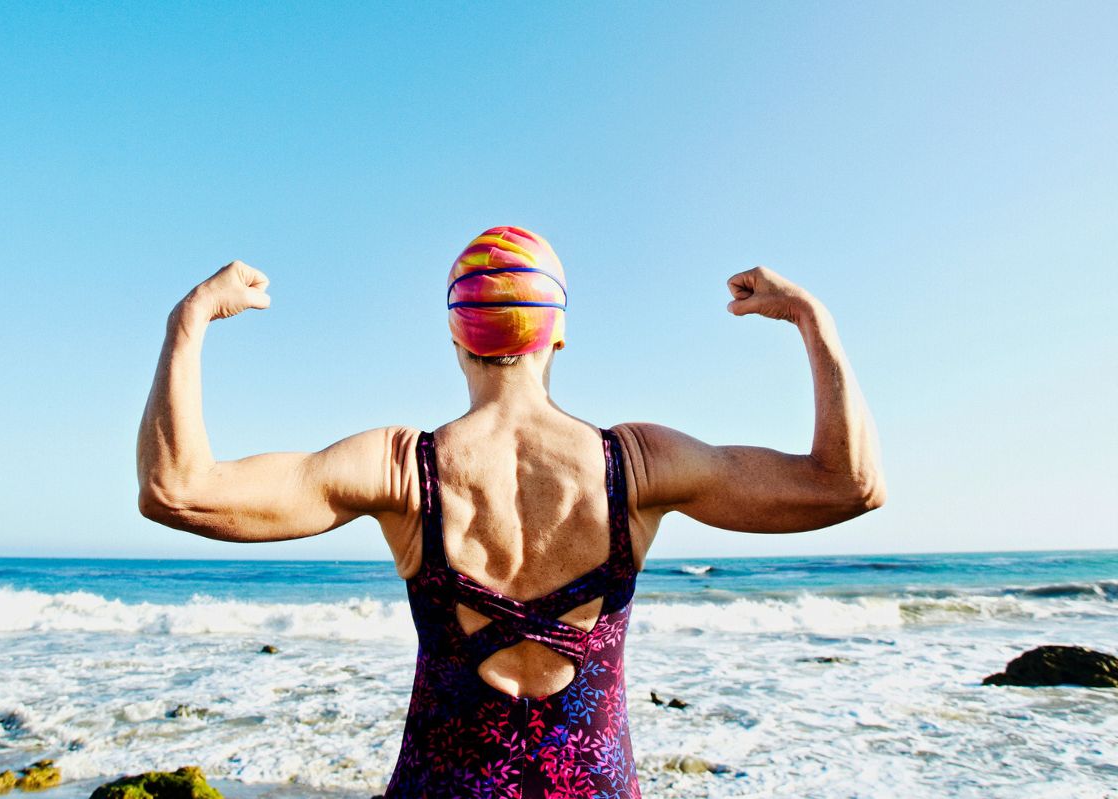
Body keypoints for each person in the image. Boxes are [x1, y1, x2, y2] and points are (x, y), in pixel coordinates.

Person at [136, 225, 885, 798]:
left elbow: (177, 488)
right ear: (557, 329)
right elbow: (848, 484)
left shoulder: (402, 469)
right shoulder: (641, 463)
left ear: (456, 333)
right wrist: (812, 320)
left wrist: (188, 321)